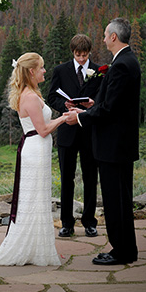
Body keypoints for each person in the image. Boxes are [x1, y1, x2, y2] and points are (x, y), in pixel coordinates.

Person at [0, 52, 68, 266]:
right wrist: (64, 118)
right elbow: (43, 129)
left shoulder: (31, 92)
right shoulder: (29, 96)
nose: (44, 71)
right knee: (34, 200)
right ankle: (33, 249)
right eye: (41, 67)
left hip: (37, 150)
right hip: (35, 150)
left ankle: (41, 247)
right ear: (31, 71)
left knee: (38, 199)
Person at [65, 18, 140, 265]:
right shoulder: (127, 61)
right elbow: (112, 104)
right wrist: (94, 104)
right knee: (120, 199)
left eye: (106, 34)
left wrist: (81, 117)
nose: (104, 38)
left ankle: (122, 251)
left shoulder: (120, 65)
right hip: (120, 144)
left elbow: (109, 110)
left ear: (114, 37)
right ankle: (125, 247)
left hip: (113, 146)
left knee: (115, 200)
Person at [48, 34, 102, 238]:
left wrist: (93, 103)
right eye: (78, 55)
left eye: (84, 55)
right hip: (67, 132)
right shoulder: (60, 71)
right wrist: (64, 105)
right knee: (66, 179)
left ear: (89, 52)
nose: (81, 58)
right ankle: (67, 223)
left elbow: (103, 97)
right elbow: (52, 96)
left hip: (89, 131)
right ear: (73, 52)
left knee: (90, 178)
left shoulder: (98, 71)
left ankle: (90, 222)